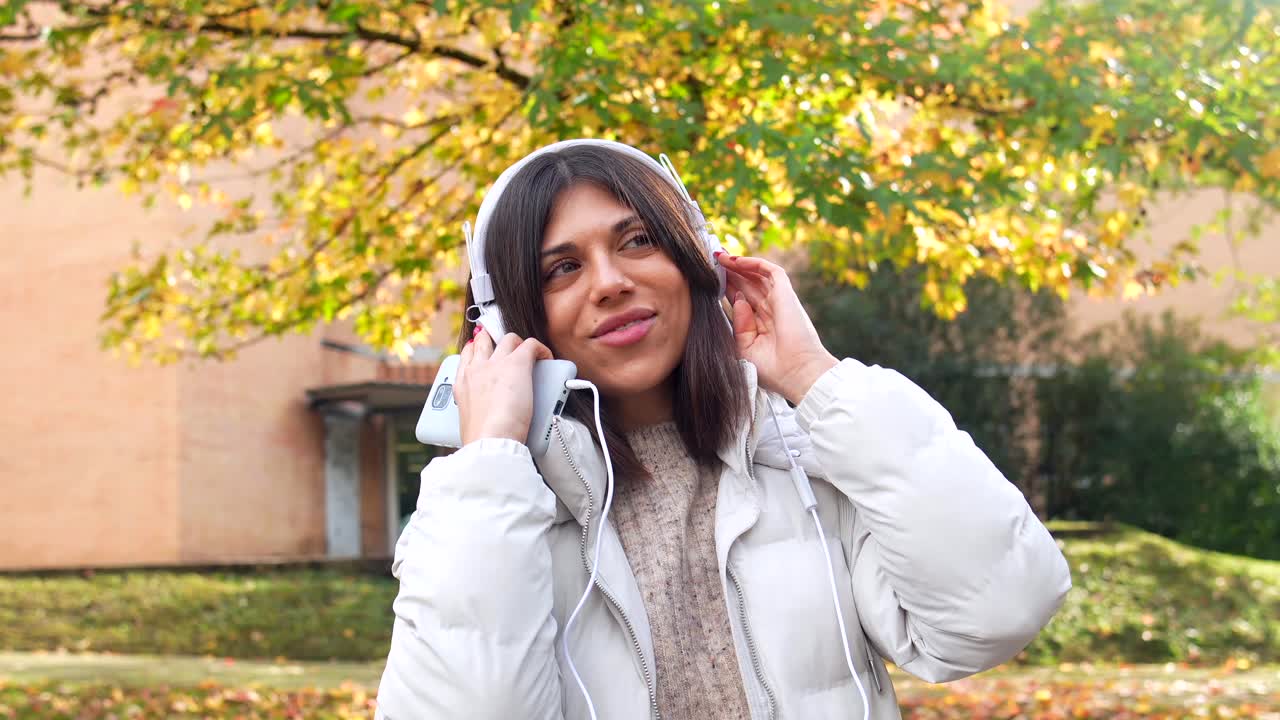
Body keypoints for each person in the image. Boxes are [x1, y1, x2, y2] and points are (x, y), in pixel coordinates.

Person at [375, 140, 1071, 720]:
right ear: (504, 322)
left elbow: (997, 614)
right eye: (563, 268)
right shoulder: (490, 511)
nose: (611, 281)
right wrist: (491, 460)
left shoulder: (804, 461)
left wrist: (813, 376)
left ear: (698, 260)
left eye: (639, 240)